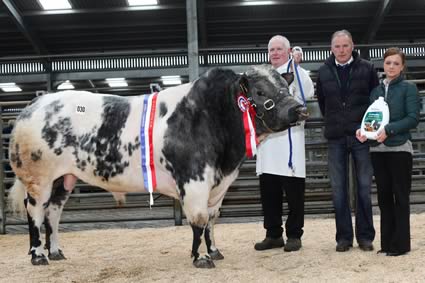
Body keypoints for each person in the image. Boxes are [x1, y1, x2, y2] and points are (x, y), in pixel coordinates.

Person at [316, 30, 379, 252]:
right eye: (337, 46)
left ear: (352, 46)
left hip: (361, 136)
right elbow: (323, 103)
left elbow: (375, 101)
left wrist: (367, 129)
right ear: (331, 48)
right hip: (335, 137)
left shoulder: (368, 68)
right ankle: (343, 237)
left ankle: (365, 237)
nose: (341, 50)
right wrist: (336, 122)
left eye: (345, 46)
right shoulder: (323, 71)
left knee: (363, 187)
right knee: (338, 189)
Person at [356, 47, 420, 256]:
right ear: (383, 64)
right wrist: (364, 132)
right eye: (388, 63)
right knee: (383, 198)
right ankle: (387, 243)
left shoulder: (409, 89)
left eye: (396, 63)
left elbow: (413, 118)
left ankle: (401, 245)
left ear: (402, 67)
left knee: (400, 197)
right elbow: (371, 118)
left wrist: (389, 130)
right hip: (378, 150)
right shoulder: (375, 91)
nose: (391, 66)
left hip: (400, 148)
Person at [254, 35, 314, 252]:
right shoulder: (262, 75)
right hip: (267, 143)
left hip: (290, 142)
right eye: (272, 50)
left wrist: (296, 68)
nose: (275, 53)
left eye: (279, 49)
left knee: (294, 193)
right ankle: (273, 234)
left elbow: (307, 92)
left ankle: (294, 235)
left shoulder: (299, 72)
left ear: (288, 51)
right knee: (269, 192)